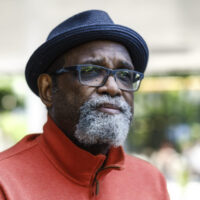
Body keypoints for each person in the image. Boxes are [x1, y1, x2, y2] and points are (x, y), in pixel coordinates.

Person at [0, 10, 170, 199]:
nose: (113, 88)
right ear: (48, 89)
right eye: (91, 71)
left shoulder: (150, 181)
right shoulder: (5, 182)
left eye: (125, 75)